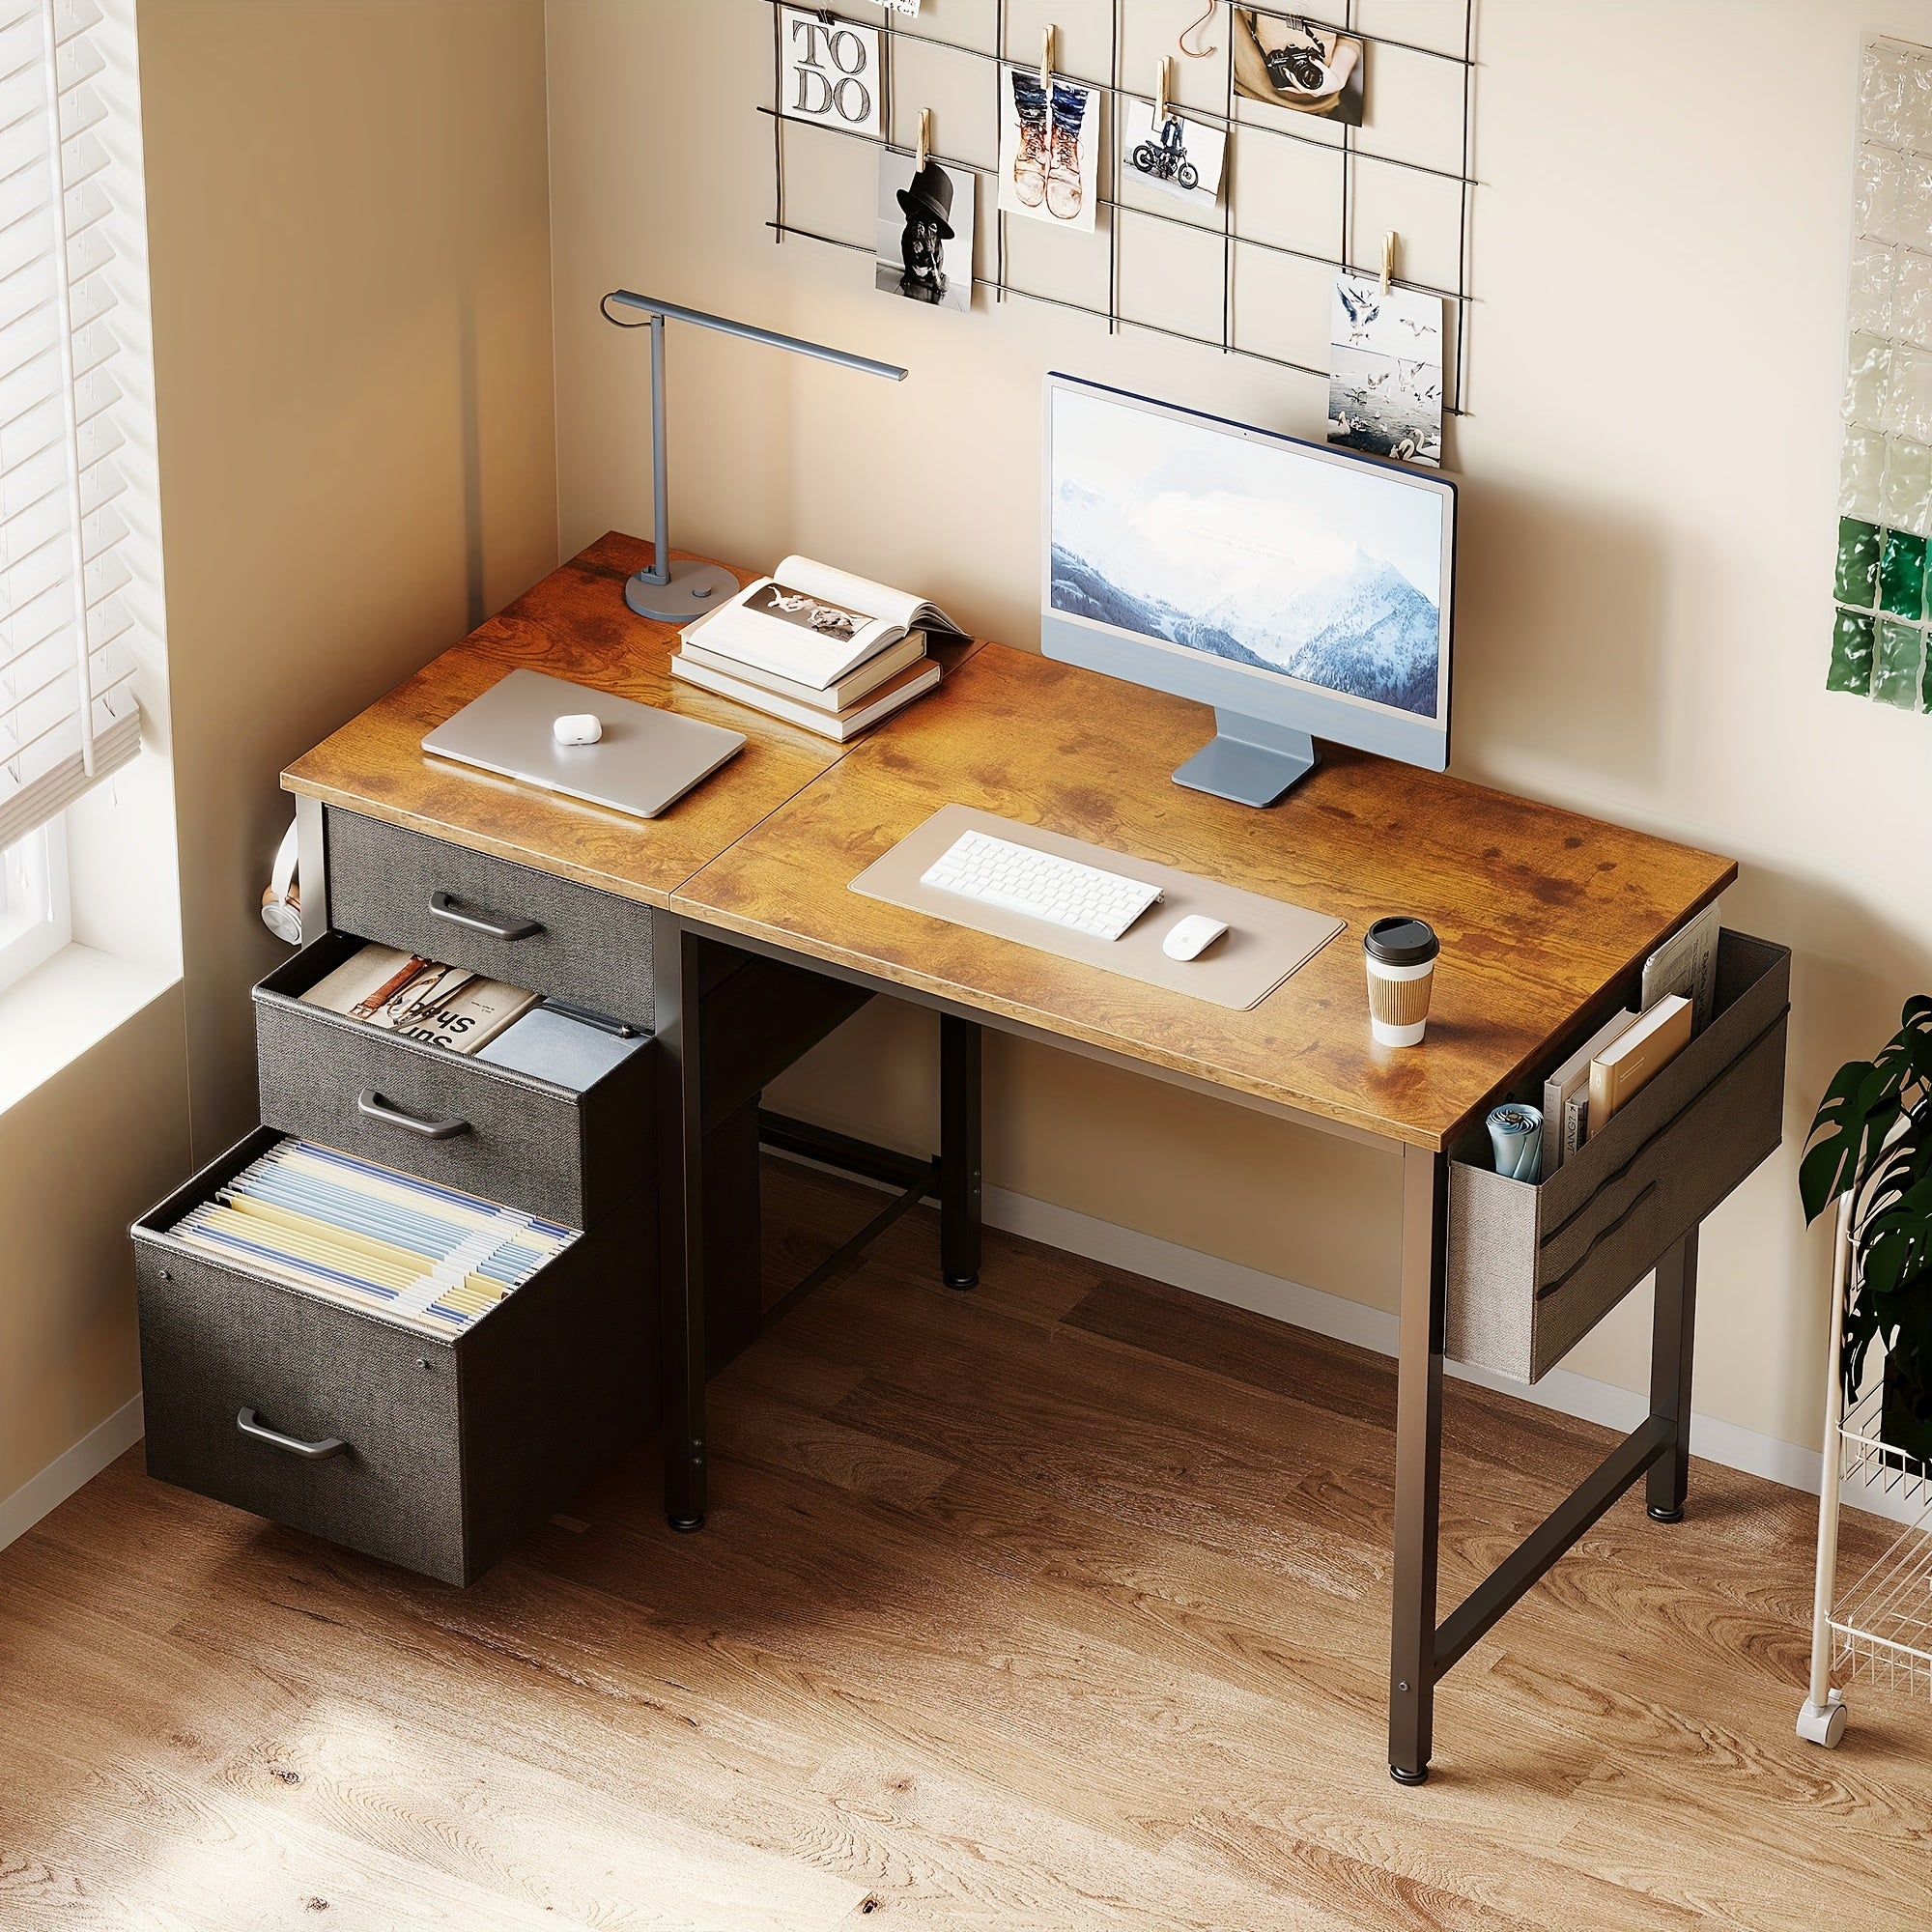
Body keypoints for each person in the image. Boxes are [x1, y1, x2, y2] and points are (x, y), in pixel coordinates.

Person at [895, 159, 953, 304]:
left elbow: (938, 260)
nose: (921, 229)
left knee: (938, 278)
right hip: (913, 268)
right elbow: (906, 254)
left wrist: (937, 278)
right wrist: (908, 273)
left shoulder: (937, 248)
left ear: (939, 234)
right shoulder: (907, 236)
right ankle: (910, 275)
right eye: (915, 220)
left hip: (930, 272)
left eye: (931, 227)